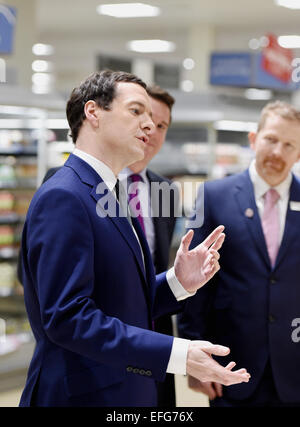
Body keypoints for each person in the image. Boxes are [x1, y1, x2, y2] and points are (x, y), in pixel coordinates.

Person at [19, 70, 250, 407]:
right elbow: (68, 318)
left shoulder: (110, 193)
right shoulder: (65, 196)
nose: (149, 125)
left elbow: (117, 302)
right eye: (136, 111)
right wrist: (178, 352)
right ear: (93, 113)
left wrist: (177, 282)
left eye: (155, 119)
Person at [177, 100, 300, 407]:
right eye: (271, 139)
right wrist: (193, 357)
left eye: (289, 145)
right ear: (253, 139)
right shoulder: (214, 197)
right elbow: (194, 287)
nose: (277, 152)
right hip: (231, 368)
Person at [121, 84, 178, 406]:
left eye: (162, 125)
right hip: (105, 344)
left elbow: (159, 267)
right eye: (145, 118)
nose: (152, 130)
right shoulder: (85, 185)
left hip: (158, 342)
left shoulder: (165, 189)